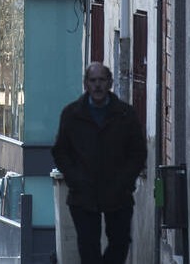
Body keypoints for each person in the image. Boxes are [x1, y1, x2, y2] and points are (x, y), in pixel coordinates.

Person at [52, 62, 148, 264]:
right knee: (88, 248)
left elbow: (138, 153)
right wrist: (75, 178)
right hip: (83, 194)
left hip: (118, 192)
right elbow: (61, 151)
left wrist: (125, 180)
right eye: (93, 80)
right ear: (86, 83)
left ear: (110, 83)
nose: (97, 86)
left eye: (102, 80)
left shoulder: (125, 114)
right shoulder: (72, 114)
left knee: (120, 243)